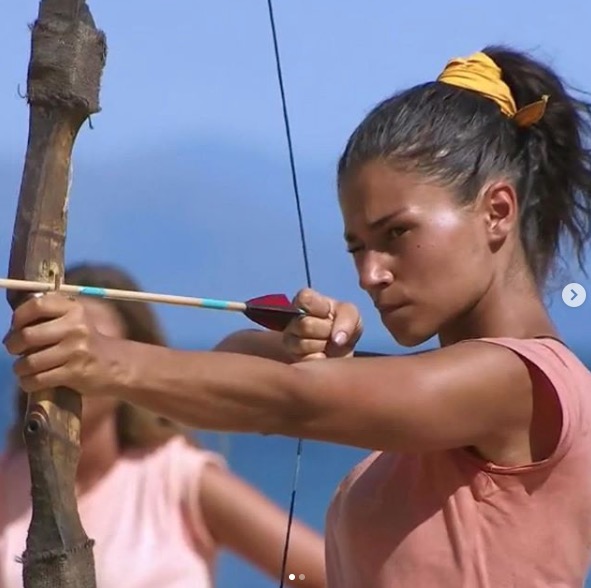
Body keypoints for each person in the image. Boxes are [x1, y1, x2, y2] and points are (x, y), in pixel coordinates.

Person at [4, 45, 591, 587]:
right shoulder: (448, 399)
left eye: (397, 233)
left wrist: (104, 358)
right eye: (357, 247)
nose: (370, 274)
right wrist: (293, 349)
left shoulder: (523, 382)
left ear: (497, 211)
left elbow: (290, 401)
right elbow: (236, 375)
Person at [0, 263, 326, 588]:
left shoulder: (176, 478)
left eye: (87, 346)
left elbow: (321, 573)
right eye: (49, 345)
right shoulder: (7, 482)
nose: (66, 362)